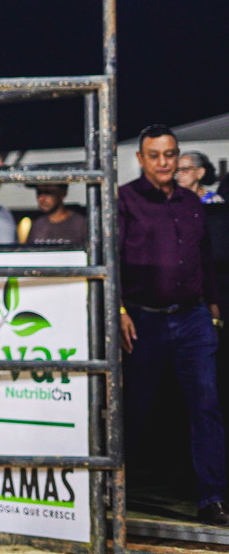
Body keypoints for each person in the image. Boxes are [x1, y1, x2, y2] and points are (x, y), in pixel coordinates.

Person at [119, 124, 227, 525]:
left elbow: (204, 257)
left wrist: (212, 309)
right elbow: (110, 261)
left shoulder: (191, 201)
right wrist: (120, 312)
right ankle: (113, 487)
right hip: (143, 319)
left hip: (193, 317)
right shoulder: (124, 199)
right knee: (134, 407)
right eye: (155, 155)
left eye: (170, 154)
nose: (163, 162)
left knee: (206, 405)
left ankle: (212, 498)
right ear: (141, 158)